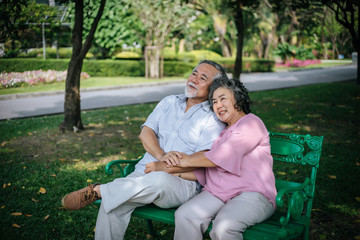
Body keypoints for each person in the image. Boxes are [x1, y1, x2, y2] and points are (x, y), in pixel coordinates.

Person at [61, 60, 227, 239]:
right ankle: (107, 194)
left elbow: (205, 158)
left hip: (180, 183)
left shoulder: (212, 117)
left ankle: (100, 190)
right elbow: (146, 132)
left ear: (213, 88)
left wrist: (168, 166)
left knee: (159, 180)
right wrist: (161, 156)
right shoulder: (169, 102)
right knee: (112, 204)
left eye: (202, 78)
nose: (194, 79)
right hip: (142, 174)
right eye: (194, 73)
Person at [164, 77, 277, 240]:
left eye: (223, 99)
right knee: (185, 215)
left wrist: (182, 161)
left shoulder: (251, 124)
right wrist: (174, 171)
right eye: (214, 102)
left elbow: (219, 158)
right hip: (219, 193)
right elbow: (208, 170)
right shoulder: (222, 134)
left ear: (238, 99)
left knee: (224, 228)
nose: (218, 105)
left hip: (253, 194)